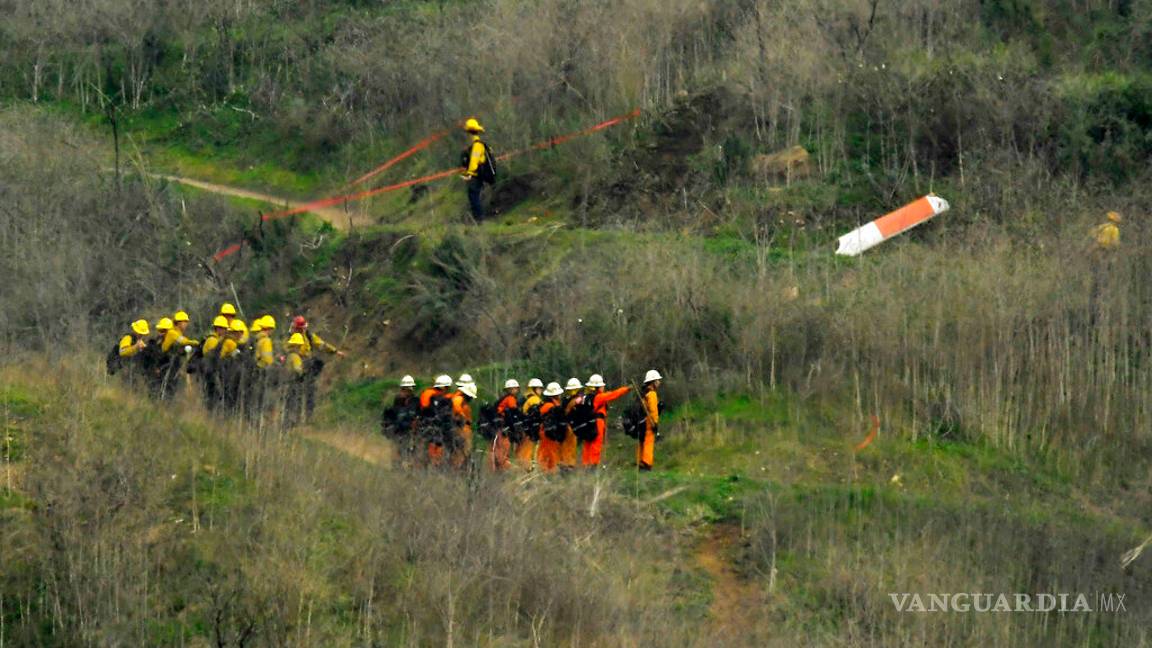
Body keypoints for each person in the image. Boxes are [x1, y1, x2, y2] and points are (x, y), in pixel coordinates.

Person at [289, 316, 345, 421]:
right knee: (295, 394)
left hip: (307, 366)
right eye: (300, 328)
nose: (302, 330)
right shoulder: (290, 337)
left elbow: (321, 344)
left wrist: (335, 351)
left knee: (309, 391)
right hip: (294, 368)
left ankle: (308, 417)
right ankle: (294, 418)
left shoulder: (309, 336)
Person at [582, 374, 631, 468]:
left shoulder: (586, 397)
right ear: (597, 387)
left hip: (588, 423)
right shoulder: (599, 397)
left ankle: (586, 465)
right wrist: (626, 389)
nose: (603, 387)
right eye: (602, 386)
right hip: (597, 422)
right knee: (596, 444)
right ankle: (593, 465)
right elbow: (613, 394)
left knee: (588, 444)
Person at [460, 118, 496, 219]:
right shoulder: (475, 145)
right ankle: (478, 218)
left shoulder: (477, 145)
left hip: (476, 176)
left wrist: (468, 174)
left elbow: (474, 162)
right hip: (476, 175)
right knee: (473, 197)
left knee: (474, 197)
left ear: (469, 133)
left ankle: (479, 219)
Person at [193, 315, 229, 411]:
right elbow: (216, 357)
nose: (225, 331)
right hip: (210, 373)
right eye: (224, 328)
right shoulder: (213, 340)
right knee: (212, 396)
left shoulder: (212, 339)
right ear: (218, 328)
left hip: (208, 372)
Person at [382, 375, 420, 465]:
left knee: (411, 451)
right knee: (398, 450)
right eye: (404, 389)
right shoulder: (397, 400)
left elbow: (418, 414)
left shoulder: (415, 401)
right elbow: (395, 417)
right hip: (399, 431)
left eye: (408, 390)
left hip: (412, 431)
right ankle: (397, 466)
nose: (406, 392)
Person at [420, 375, 455, 467]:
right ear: (445, 387)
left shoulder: (428, 396)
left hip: (425, 428)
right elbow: (446, 418)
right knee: (439, 455)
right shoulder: (445, 400)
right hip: (439, 431)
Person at [491, 379, 520, 472]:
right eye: (515, 389)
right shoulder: (510, 399)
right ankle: (504, 470)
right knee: (504, 450)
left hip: (499, 427)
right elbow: (513, 411)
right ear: (511, 389)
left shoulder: (503, 399)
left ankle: (499, 469)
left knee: (499, 450)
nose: (516, 390)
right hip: (503, 428)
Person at [535, 382, 565, 473]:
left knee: (546, 453)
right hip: (548, 434)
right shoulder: (550, 406)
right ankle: (547, 474)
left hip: (546, 432)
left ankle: (545, 472)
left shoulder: (547, 404)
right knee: (549, 454)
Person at [516, 378, 544, 470]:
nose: (541, 390)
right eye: (539, 388)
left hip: (522, 430)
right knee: (529, 453)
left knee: (522, 452)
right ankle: (528, 471)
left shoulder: (523, 399)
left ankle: (521, 470)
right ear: (534, 389)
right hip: (530, 431)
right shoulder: (534, 399)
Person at [637, 370, 662, 471]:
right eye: (658, 380)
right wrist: (655, 423)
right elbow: (653, 410)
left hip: (641, 421)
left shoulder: (644, 393)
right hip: (649, 422)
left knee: (642, 442)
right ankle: (646, 463)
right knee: (648, 442)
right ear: (653, 382)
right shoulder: (652, 394)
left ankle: (640, 462)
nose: (659, 382)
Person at [281, 333, 308, 428]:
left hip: (287, 383)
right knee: (293, 404)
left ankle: (286, 423)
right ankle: (291, 424)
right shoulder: (296, 357)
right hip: (293, 383)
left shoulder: (288, 355)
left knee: (287, 405)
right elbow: (298, 370)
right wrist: (303, 373)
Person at [450, 382, 477, 469]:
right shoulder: (458, 399)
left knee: (464, 454)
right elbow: (457, 411)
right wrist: (463, 417)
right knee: (460, 454)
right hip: (460, 430)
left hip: (463, 430)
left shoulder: (462, 401)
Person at [559, 377, 584, 471]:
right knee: (570, 446)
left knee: (566, 446)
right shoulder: (576, 400)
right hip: (571, 426)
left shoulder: (566, 399)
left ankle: (565, 464)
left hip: (567, 425)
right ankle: (568, 465)